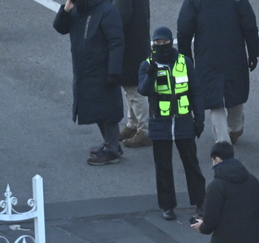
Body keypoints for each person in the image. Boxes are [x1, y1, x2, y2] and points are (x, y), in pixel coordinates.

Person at [138, 27, 206, 221]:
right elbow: (143, 91)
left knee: (192, 165)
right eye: (157, 44)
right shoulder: (146, 65)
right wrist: (150, 76)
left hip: (184, 122)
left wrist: (199, 118)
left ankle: (200, 203)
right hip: (160, 123)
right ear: (153, 45)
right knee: (163, 167)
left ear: (171, 42)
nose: (162, 47)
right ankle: (168, 206)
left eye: (164, 43)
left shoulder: (185, 62)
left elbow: (196, 91)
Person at [54, 0, 127, 166]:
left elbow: (116, 42)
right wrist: (65, 10)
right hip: (85, 70)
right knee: (95, 109)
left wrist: (113, 72)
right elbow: (60, 28)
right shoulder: (78, 8)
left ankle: (111, 150)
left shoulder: (107, 10)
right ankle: (112, 144)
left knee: (107, 110)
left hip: (102, 70)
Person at [177, 0, 259, 146]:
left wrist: (186, 57)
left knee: (214, 99)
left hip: (207, 56)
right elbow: (249, 25)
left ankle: (222, 143)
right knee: (235, 91)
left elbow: (184, 29)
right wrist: (253, 52)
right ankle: (235, 127)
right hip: (234, 55)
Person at [114, 0, 152, 147]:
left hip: (130, 45)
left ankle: (145, 130)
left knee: (134, 89)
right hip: (137, 42)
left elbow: (121, 15)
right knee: (130, 88)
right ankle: (133, 124)